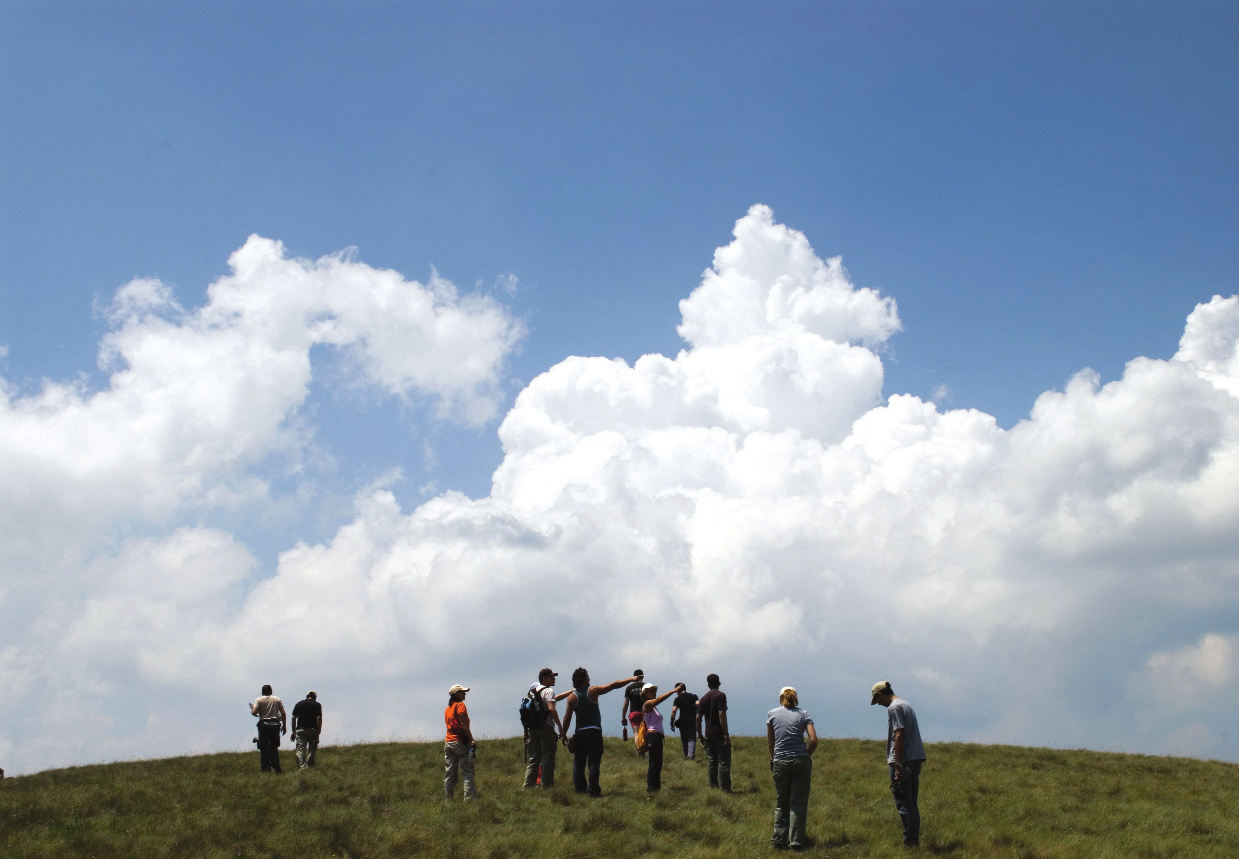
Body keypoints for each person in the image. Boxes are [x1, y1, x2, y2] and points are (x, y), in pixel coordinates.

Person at [560, 668, 642, 797]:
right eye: (587, 677)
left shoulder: (572, 697)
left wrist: (563, 734)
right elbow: (614, 685)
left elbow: (567, 717)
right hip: (594, 732)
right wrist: (632, 679)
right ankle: (593, 791)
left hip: (580, 732)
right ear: (583, 679)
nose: (589, 678)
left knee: (579, 762)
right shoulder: (593, 691)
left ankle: (580, 790)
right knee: (593, 762)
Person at [871, 681, 926, 847]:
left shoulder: (894, 708)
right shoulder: (906, 704)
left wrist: (898, 764)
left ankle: (910, 841)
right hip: (915, 758)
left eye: (877, 700)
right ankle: (913, 839)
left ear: (881, 694)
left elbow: (899, 735)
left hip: (903, 760)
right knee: (911, 802)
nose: (878, 704)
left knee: (904, 803)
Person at [767, 686, 817, 850]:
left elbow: (771, 743)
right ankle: (796, 842)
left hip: (780, 760)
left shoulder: (772, 714)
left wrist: (774, 759)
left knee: (782, 802)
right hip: (801, 760)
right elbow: (813, 740)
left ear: (780, 698)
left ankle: (778, 840)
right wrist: (806, 755)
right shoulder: (804, 714)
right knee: (798, 803)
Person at [523, 668, 567, 789]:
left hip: (532, 728)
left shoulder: (532, 691)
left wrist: (525, 732)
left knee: (533, 759)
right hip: (546, 726)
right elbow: (551, 708)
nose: (554, 678)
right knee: (547, 758)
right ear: (544, 678)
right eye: (551, 676)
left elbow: (526, 711)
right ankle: (546, 786)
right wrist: (559, 726)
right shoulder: (548, 691)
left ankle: (528, 786)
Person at [640, 682, 685, 792]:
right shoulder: (647, 704)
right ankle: (651, 788)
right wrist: (673, 691)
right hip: (653, 736)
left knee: (658, 763)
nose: (654, 692)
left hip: (657, 737)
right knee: (654, 763)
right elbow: (659, 699)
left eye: (655, 690)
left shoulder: (653, 707)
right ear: (645, 693)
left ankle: (656, 787)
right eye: (651, 691)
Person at [697, 673, 731, 791]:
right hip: (719, 732)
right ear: (719, 683)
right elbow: (721, 714)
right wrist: (726, 734)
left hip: (708, 733)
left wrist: (700, 735)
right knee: (723, 760)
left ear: (708, 684)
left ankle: (713, 787)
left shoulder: (703, 698)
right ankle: (725, 788)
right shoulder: (721, 696)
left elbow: (698, 718)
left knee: (712, 761)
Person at [445, 684, 478, 800]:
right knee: (468, 771)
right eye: (462, 692)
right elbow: (464, 725)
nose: (464, 694)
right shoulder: (460, 706)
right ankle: (470, 799)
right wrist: (471, 740)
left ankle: (448, 798)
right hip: (460, 742)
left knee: (450, 772)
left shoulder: (448, 709)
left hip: (448, 742)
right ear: (456, 694)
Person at [249, 684, 287, 774]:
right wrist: (284, 725)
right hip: (275, 724)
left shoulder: (258, 700)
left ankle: (266, 769)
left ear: (262, 692)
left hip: (264, 725)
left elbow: (254, 713)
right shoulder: (277, 699)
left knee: (264, 747)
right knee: (274, 746)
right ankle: (275, 763)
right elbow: (283, 712)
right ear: (271, 691)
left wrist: (253, 709)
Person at [290, 690, 322, 770]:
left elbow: (293, 718)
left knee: (300, 750)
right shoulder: (317, 705)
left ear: (307, 696)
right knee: (312, 750)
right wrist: (318, 731)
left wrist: (293, 731)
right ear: (315, 697)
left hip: (300, 730)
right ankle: (310, 767)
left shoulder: (299, 704)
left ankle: (302, 768)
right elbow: (319, 718)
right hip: (312, 730)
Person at [670, 682, 700, 759]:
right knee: (692, 739)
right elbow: (698, 704)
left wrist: (672, 722)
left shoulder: (677, 699)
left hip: (682, 721)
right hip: (692, 720)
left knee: (684, 739)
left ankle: (685, 755)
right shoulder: (693, 696)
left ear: (678, 690)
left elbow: (674, 710)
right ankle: (691, 756)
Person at [621, 668, 645, 754]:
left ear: (634, 677)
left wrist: (623, 717)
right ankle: (643, 749)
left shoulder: (629, 688)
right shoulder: (646, 686)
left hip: (633, 713)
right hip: (645, 713)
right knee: (644, 733)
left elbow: (626, 704)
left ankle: (639, 751)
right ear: (643, 676)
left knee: (636, 734)